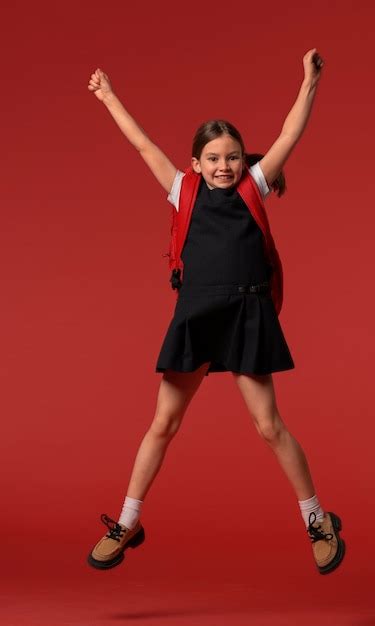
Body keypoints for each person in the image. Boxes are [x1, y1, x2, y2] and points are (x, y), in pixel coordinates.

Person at [86, 49, 346, 575]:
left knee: (269, 426)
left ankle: (317, 519)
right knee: (163, 423)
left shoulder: (255, 185)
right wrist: (108, 95)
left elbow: (289, 136)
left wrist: (308, 84)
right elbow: (141, 143)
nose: (224, 167)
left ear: (242, 160)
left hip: (247, 315)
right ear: (195, 164)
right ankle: (128, 520)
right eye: (213, 159)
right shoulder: (181, 190)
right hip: (197, 316)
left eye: (232, 157)